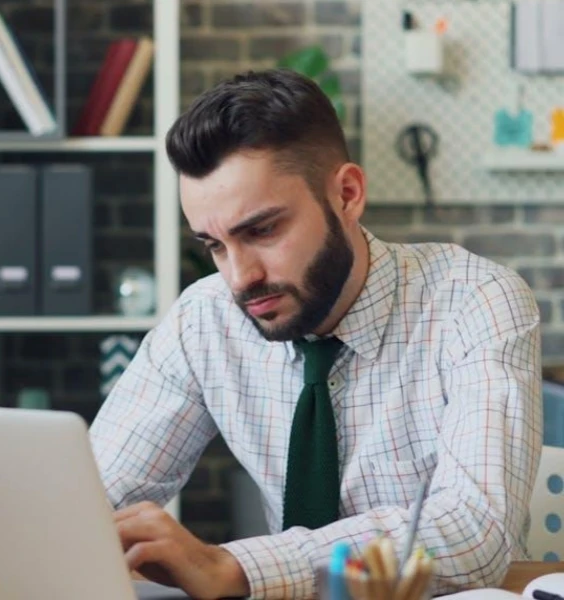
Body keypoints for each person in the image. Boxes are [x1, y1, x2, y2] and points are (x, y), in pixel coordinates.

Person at [88, 69, 543, 600]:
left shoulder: (476, 300)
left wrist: (232, 567)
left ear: (347, 194)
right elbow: (93, 499)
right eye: (214, 245)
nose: (239, 277)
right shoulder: (205, 319)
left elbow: (475, 532)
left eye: (261, 230)